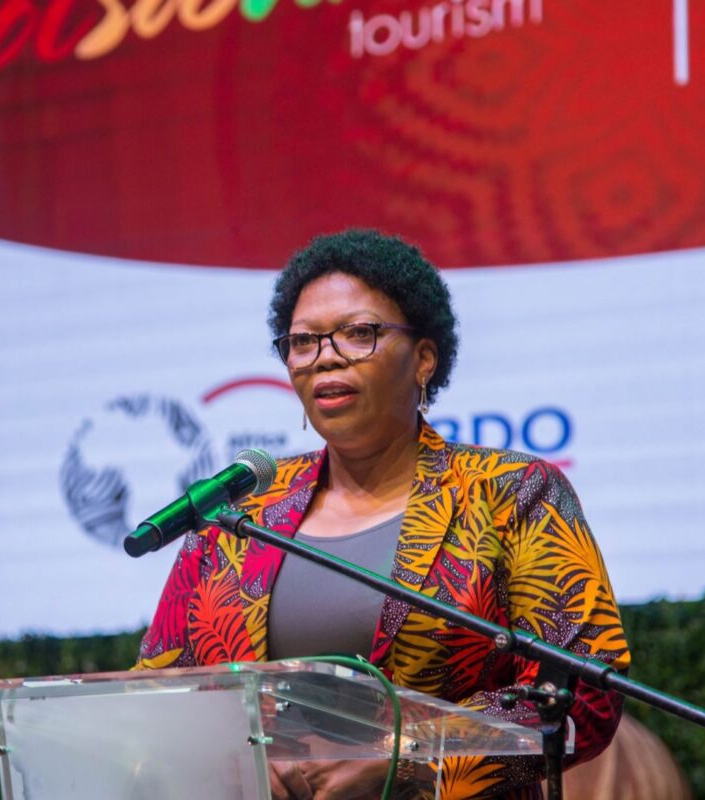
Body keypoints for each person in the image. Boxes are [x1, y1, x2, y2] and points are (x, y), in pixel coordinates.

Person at [137, 229, 631, 799]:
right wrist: (232, 761)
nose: (325, 356)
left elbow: (582, 695)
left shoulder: (510, 494)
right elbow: (159, 698)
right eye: (303, 341)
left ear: (423, 358)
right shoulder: (239, 516)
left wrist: (410, 756)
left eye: (358, 333)